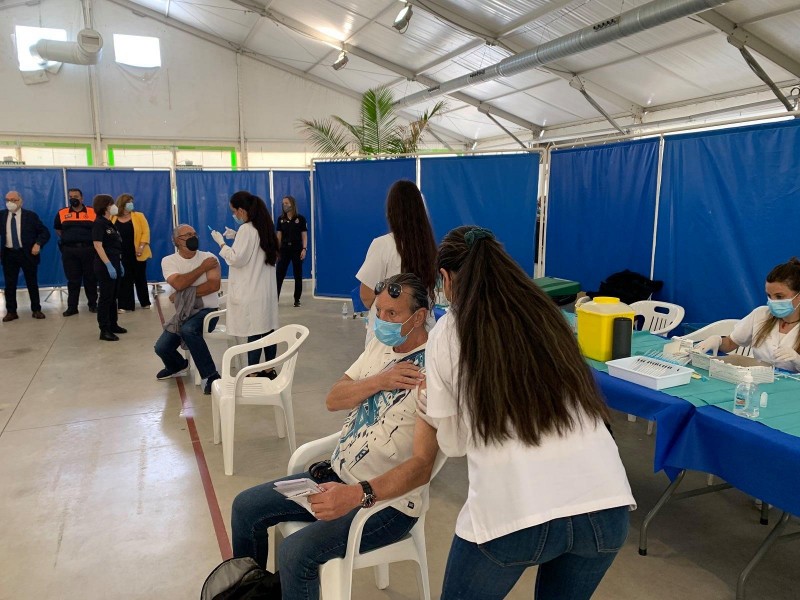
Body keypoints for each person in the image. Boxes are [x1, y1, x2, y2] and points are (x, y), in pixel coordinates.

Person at [424, 226, 635, 600]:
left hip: (515, 508)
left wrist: (432, 406)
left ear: (445, 278)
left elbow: (454, 445)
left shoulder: (449, 331)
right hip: (605, 503)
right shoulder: (550, 319)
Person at [231, 273, 434, 600]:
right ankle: (248, 594)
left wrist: (356, 494)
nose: (382, 320)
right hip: (335, 476)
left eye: (392, 314)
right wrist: (381, 380)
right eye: (378, 311)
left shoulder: (433, 371)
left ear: (419, 316)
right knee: (245, 508)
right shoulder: (380, 348)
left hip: (385, 503)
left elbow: (422, 468)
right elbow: (333, 399)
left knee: (296, 554)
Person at [356, 180, 437, 345]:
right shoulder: (429, 246)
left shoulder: (383, 245)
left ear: (391, 212)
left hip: (388, 334)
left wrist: (388, 308)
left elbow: (366, 295)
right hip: (421, 330)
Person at [210, 191, 279, 377]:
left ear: (241, 210)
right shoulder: (263, 227)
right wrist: (236, 237)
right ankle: (269, 368)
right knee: (268, 330)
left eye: (234, 211)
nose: (234, 215)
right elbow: (254, 248)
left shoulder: (247, 230)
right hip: (265, 291)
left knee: (254, 331)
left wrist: (222, 244)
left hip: (251, 291)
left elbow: (236, 258)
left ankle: (252, 372)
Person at [695, 258, 800, 372]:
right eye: (769, 296)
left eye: (779, 297)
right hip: (759, 380)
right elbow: (731, 343)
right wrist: (718, 341)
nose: (772, 301)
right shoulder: (761, 315)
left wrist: (797, 360)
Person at [155, 224, 222, 395]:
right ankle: (178, 366)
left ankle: (211, 376)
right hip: (184, 312)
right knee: (161, 348)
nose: (193, 237)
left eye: (194, 233)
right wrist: (202, 269)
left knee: (188, 330)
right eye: (187, 235)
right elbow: (177, 283)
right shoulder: (169, 261)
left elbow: (213, 286)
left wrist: (180, 295)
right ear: (176, 241)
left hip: (208, 312)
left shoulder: (209, 257)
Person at [1, 191, 51, 322]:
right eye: (8, 200)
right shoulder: (1, 216)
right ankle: (11, 312)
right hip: (8, 254)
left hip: (27, 254)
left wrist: (38, 244)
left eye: (14, 200)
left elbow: (44, 232)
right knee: (10, 284)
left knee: (32, 282)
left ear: (21, 201)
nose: (10, 203)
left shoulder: (30, 216)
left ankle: (36, 309)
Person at [55, 188, 97, 316]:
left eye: (76, 196)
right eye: (71, 196)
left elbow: (98, 229)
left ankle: (93, 305)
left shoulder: (92, 211)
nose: (74, 198)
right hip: (70, 251)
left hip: (89, 250)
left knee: (91, 279)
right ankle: (72, 307)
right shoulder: (62, 213)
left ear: (82, 198)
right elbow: (58, 230)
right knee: (73, 280)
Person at [91, 195, 127, 342]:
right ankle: (104, 329)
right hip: (105, 265)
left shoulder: (109, 223)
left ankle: (113, 324)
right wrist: (108, 265)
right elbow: (98, 245)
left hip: (115, 262)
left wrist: (119, 263)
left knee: (113, 297)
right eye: (112, 204)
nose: (114, 206)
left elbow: (114, 245)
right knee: (105, 298)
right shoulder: (99, 223)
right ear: (105, 206)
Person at [112, 193, 152, 311]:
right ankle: (125, 305)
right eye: (129, 202)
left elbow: (146, 232)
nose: (131, 204)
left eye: (131, 202)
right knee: (124, 279)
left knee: (140, 277)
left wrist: (141, 247)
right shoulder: (113, 217)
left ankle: (145, 302)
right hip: (120, 254)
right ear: (122, 204)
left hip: (138, 252)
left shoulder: (139, 216)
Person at [275, 195, 307, 307]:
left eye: (287, 203)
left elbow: (304, 235)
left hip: (297, 249)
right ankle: (275, 299)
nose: (285, 205)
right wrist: (276, 250)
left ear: (292, 204)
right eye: (283, 203)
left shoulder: (300, 219)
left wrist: (304, 248)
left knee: (298, 274)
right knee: (279, 274)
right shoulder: (280, 219)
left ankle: (297, 299)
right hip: (284, 249)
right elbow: (279, 235)